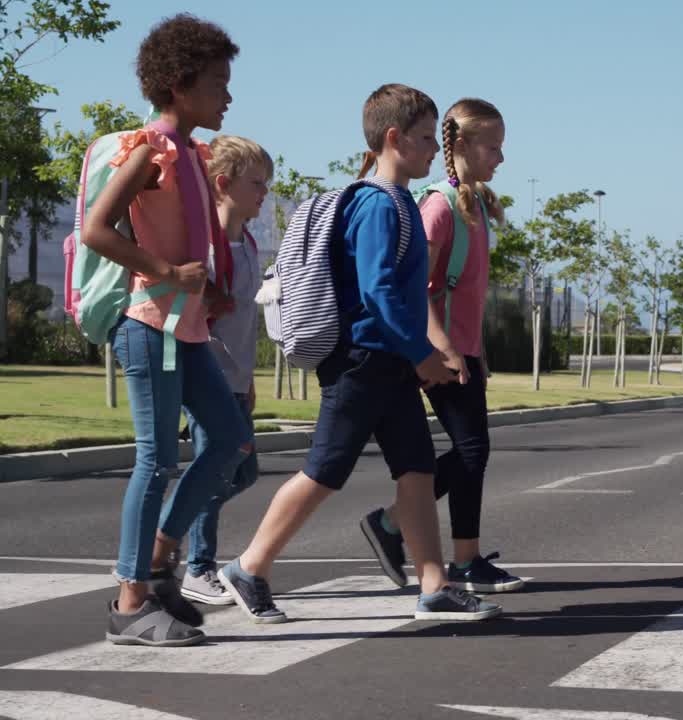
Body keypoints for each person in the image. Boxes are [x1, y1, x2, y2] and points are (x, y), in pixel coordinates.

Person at [220, 84, 499, 624]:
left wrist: (413, 355)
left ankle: (434, 585)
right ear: (393, 139)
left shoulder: (397, 202)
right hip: (362, 362)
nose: (431, 149)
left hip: (388, 363)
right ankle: (248, 567)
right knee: (325, 471)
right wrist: (422, 352)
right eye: (423, 138)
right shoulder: (378, 205)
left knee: (417, 469)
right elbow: (380, 291)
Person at [83, 13, 251, 647]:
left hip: (185, 327)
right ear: (180, 85)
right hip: (149, 325)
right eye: (216, 82)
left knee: (230, 439)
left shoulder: (191, 154)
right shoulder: (150, 150)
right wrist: (166, 270)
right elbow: (99, 229)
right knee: (155, 462)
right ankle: (132, 603)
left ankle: (159, 557)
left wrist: (206, 285)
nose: (227, 96)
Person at [360, 98, 523, 594]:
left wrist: (477, 351)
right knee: (471, 451)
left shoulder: (472, 205)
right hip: (441, 347)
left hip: (463, 347)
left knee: (472, 451)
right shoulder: (439, 206)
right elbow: (417, 286)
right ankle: (394, 524)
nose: (500, 158)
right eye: (492, 147)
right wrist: (445, 349)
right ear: (466, 146)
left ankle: (462, 555)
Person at [178, 135, 272, 606]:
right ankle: (197, 567)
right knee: (217, 467)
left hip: (236, 378)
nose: (264, 193)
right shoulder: (206, 248)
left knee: (245, 471)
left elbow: (245, 322)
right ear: (222, 183)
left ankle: (179, 519)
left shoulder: (249, 243)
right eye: (256, 183)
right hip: (207, 374)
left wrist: (250, 380)